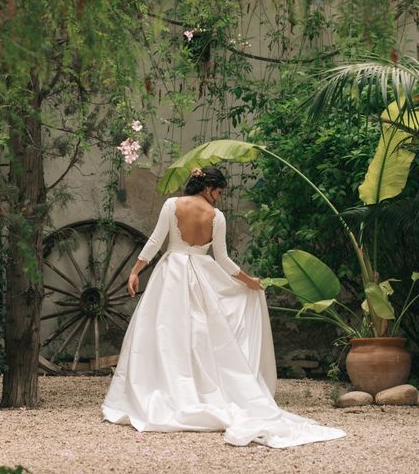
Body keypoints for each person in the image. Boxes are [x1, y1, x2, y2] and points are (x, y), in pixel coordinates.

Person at [101, 166, 346, 448]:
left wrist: (135, 271)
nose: (220, 196)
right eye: (219, 191)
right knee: (200, 337)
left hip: (170, 274)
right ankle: (193, 391)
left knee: (165, 332)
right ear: (208, 188)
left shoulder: (172, 205)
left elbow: (156, 242)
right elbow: (223, 260)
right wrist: (249, 281)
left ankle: (167, 391)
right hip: (201, 278)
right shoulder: (216, 217)